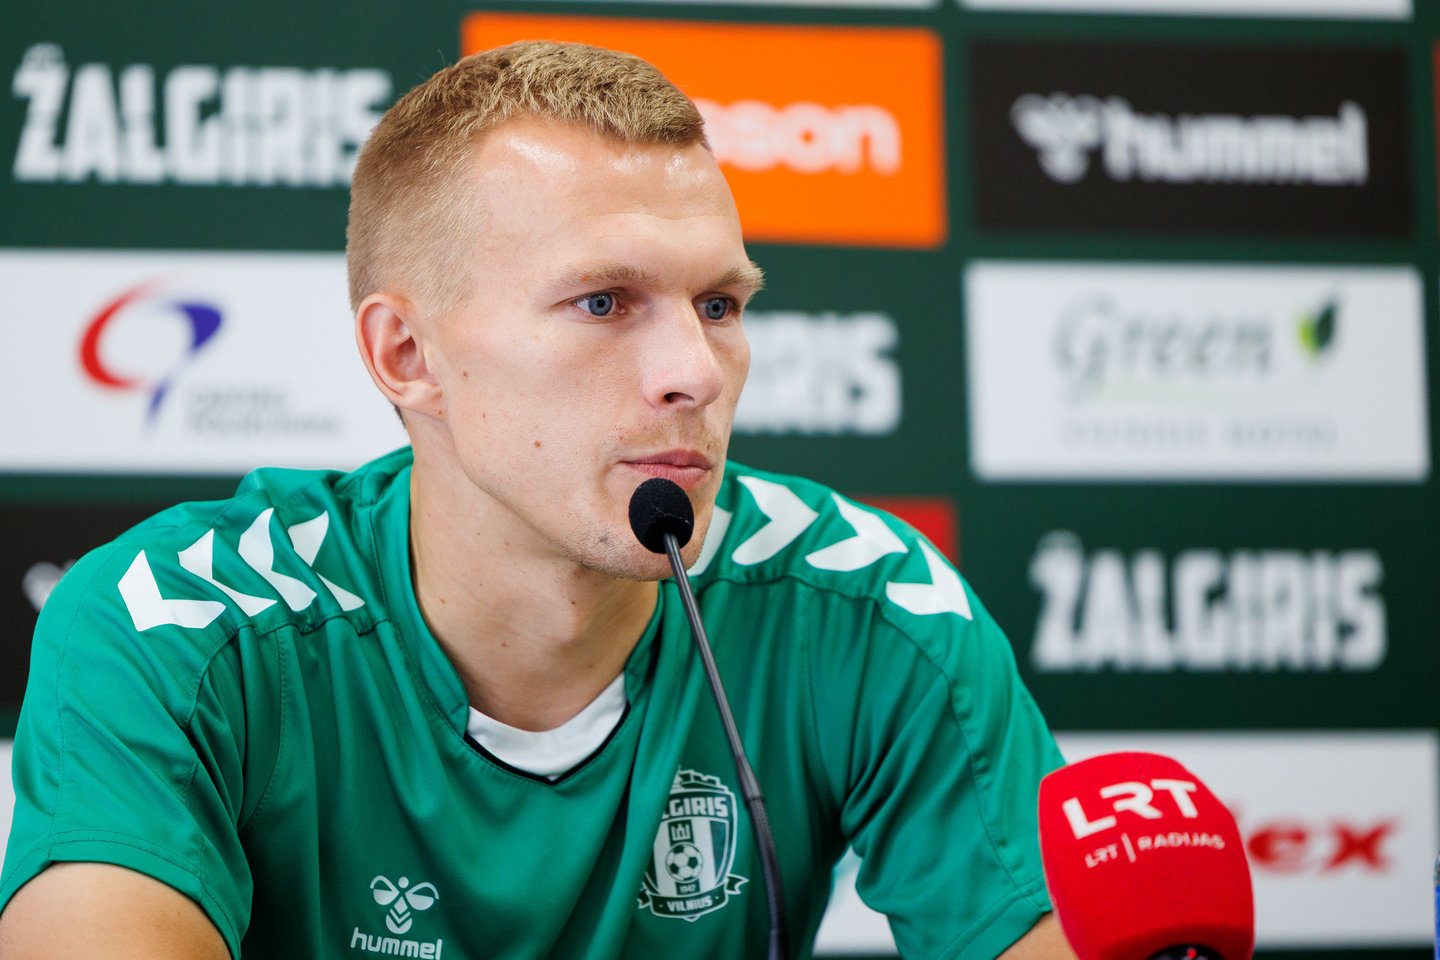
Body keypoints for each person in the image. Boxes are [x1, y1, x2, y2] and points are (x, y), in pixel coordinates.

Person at [0, 41, 1072, 959]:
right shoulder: (177, 628)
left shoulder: (864, 608)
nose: (694, 372)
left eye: (718, 304)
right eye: (603, 302)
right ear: (407, 354)